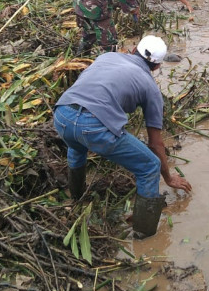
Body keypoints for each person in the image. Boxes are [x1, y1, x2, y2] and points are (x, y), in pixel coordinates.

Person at [54, 35, 192, 238]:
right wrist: (168, 177)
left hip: (62, 114)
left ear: (134, 49)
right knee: (150, 166)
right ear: (156, 67)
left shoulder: (107, 56)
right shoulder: (150, 87)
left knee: (76, 148)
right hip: (94, 126)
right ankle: (144, 234)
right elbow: (156, 143)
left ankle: (76, 198)